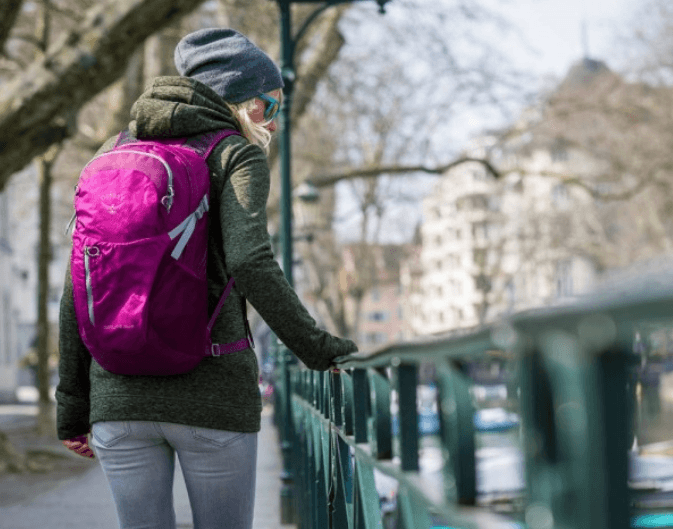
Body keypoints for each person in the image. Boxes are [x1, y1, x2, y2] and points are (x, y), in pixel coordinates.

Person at [56, 28, 358, 529]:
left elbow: (80, 281)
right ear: (239, 100)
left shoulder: (112, 150)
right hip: (212, 395)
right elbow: (251, 262)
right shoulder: (234, 153)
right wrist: (320, 348)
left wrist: (73, 407)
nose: (273, 122)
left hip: (117, 398)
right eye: (269, 106)